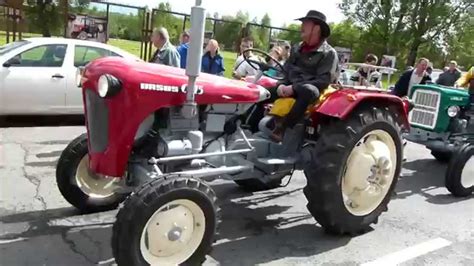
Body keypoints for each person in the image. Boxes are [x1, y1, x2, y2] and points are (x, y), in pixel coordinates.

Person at [263, 10, 338, 142]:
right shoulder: (297, 48)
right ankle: (245, 125)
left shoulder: (329, 53)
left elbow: (323, 80)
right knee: (262, 92)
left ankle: (282, 128)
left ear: (317, 28)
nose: (301, 26)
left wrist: (294, 88)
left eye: (306, 23)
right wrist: (281, 85)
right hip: (289, 87)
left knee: (308, 90)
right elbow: (285, 70)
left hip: (308, 92)